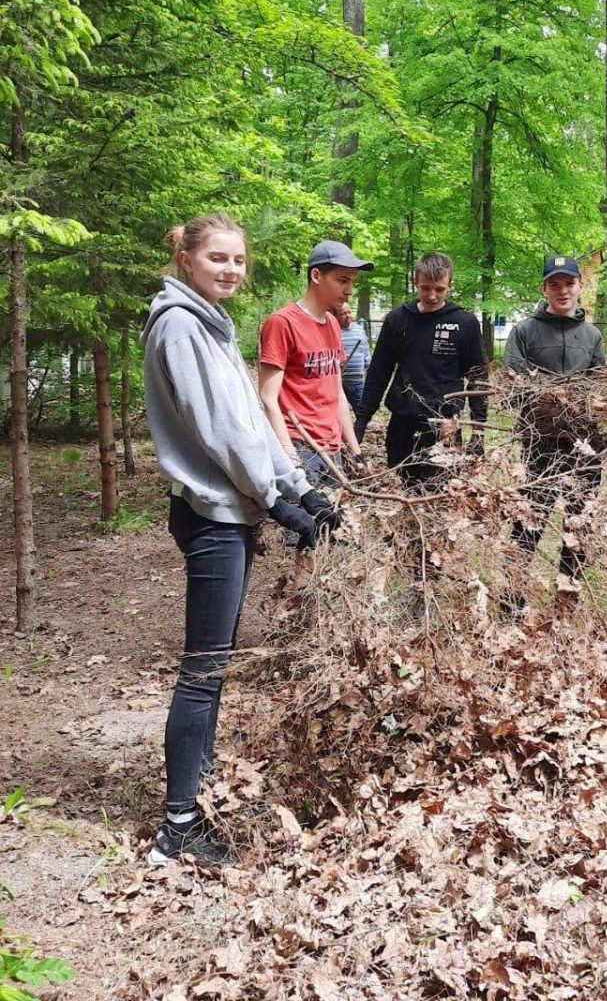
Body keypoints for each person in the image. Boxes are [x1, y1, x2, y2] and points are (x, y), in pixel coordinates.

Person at [141, 215, 339, 866]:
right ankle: (178, 826)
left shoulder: (212, 323)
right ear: (188, 259)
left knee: (216, 665)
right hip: (212, 516)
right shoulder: (179, 325)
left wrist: (300, 489)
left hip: (232, 510)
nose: (230, 269)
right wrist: (276, 502)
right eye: (218, 258)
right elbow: (219, 431)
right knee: (203, 670)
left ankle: (196, 794)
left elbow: (253, 419)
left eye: (238, 260)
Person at [501, 254, 606, 614]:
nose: (563, 291)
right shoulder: (524, 332)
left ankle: (566, 602)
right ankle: (511, 603)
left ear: (580, 286)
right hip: (539, 446)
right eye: (555, 284)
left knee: (578, 526)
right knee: (528, 523)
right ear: (543, 288)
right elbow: (513, 386)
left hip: (583, 448)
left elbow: (601, 390)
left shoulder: (592, 335)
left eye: (569, 283)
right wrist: (546, 405)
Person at [353, 251, 487, 491]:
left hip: (444, 425)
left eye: (439, 289)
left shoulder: (464, 323)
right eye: (425, 288)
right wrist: (361, 421)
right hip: (402, 423)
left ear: (450, 285)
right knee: (400, 490)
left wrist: (479, 431)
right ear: (416, 282)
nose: (432, 296)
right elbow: (379, 372)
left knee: (439, 495)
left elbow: (477, 378)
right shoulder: (397, 320)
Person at [259, 240, 373, 489]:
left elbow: (337, 392)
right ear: (316, 276)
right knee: (305, 515)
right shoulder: (282, 323)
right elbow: (268, 398)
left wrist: (355, 450)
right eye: (342, 280)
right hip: (298, 443)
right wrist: (291, 459)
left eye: (352, 282)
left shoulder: (332, 324)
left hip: (331, 446)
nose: (349, 290)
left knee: (332, 513)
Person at [336, 303, 372, 413]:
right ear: (336, 316)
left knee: (361, 412)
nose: (347, 316)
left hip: (358, 381)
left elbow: (366, 352)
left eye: (349, 312)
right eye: (343, 314)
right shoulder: (333, 331)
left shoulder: (359, 330)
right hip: (339, 381)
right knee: (338, 412)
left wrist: (370, 371)